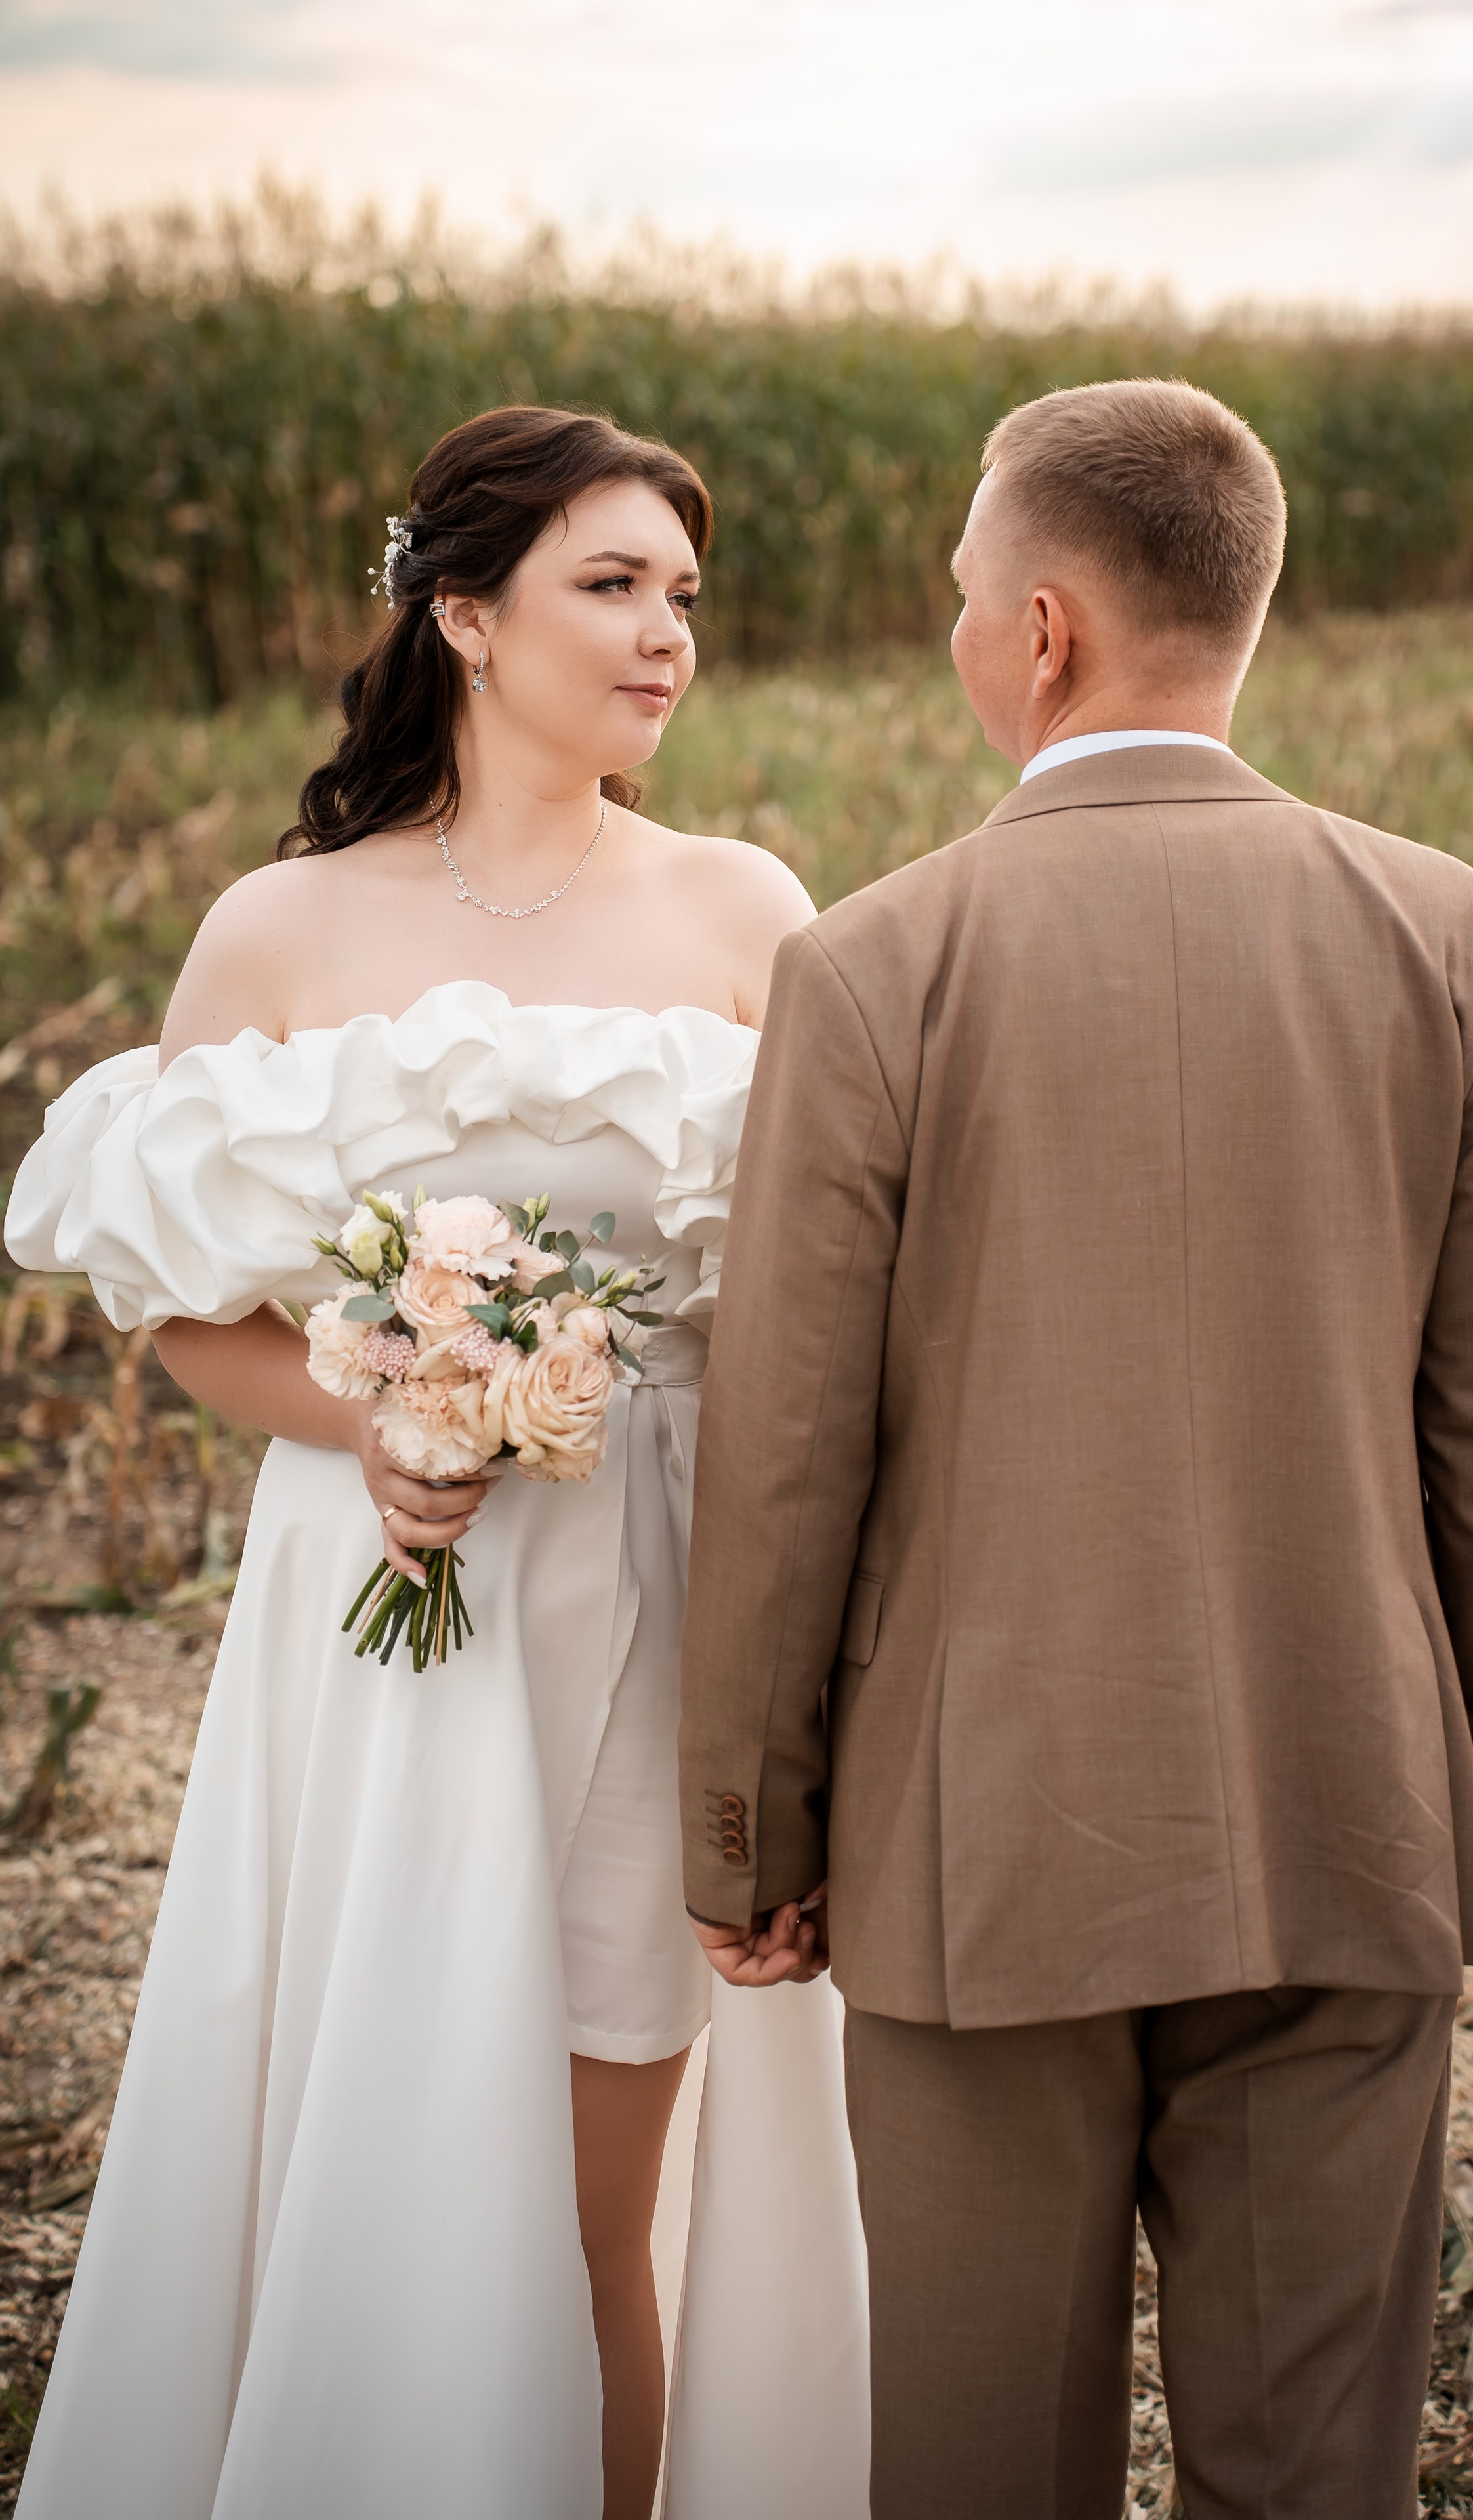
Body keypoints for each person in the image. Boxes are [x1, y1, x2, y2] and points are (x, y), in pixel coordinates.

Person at [679, 378, 1473, 2519]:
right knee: (1315, 2471)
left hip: (979, 1845)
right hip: (1351, 1811)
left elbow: (791, 1450)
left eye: (966, 599)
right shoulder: (1454, 933)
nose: (962, 637)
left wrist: (752, 1830)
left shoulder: (874, 962)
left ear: (1052, 632)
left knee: (986, 2469)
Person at [5, 404, 868, 2520]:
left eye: (682, 589)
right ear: (464, 614)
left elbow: (844, 1292)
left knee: (597, 2198)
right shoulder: (284, 931)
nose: (666, 631)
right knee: (376, 2137)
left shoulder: (752, 907)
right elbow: (184, 1304)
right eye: (612, 583)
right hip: (389, 1612)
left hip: (660, 1585)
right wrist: (377, 1415)